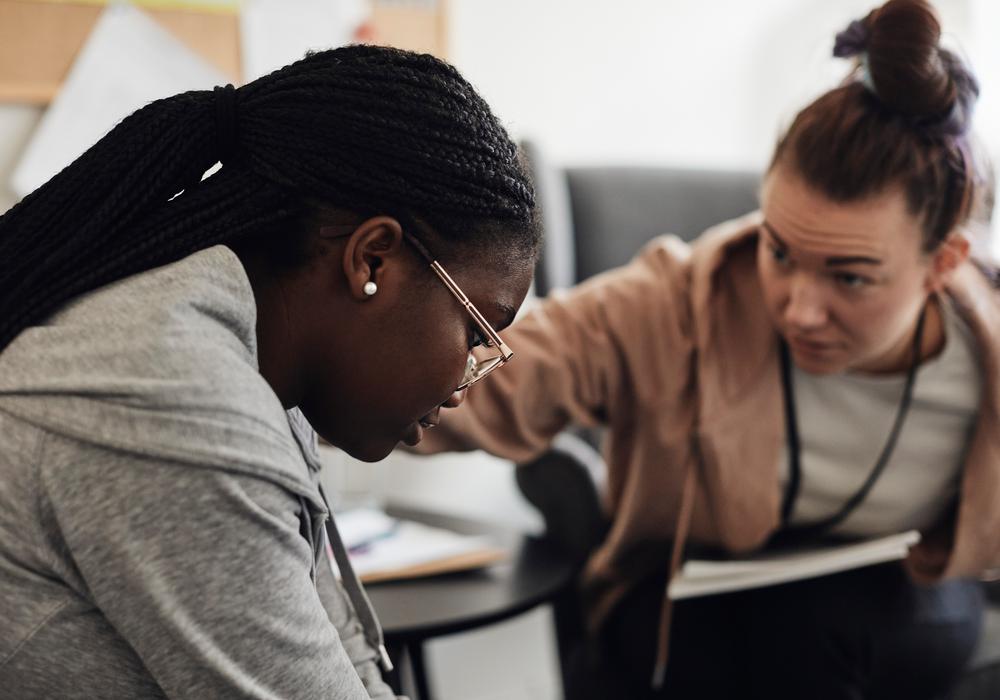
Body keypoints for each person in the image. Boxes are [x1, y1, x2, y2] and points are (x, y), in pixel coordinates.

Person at [414, 1, 998, 698]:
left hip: (904, 603)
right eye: (779, 251)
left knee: (817, 625)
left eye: (850, 277)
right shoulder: (676, 305)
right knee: (756, 639)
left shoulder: (983, 355)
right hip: (699, 601)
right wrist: (310, 376)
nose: (799, 307)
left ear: (942, 263)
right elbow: (509, 366)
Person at [0, 45, 538, 699]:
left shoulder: (257, 370)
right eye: (478, 333)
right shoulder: (180, 403)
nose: (464, 386)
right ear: (372, 259)